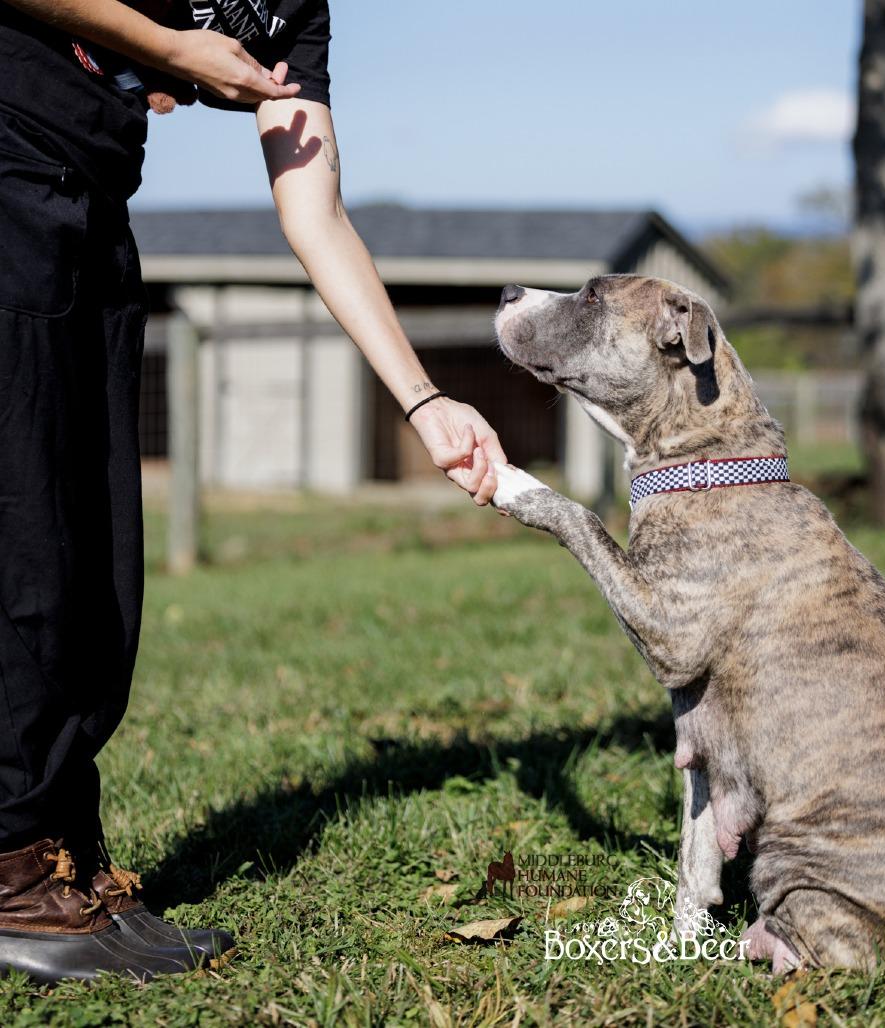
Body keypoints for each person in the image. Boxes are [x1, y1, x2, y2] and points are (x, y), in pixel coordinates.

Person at [0, 0, 506, 984]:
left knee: (99, 570)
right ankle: (14, 878)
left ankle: (63, 857)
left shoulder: (290, 12)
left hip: (88, 200)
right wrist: (169, 48)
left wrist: (425, 397)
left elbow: (313, 208)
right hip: (7, 171)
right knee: (27, 546)